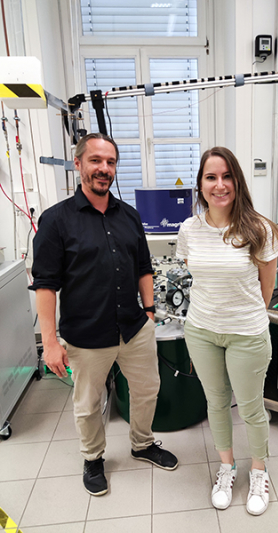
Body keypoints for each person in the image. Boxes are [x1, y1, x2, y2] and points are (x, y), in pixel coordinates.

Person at [30, 133, 178, 497]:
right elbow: (46, 285)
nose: (104, 169)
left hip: (133, 327)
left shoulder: (128, 215)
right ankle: (93, 458)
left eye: (110, 162)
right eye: (96, 160)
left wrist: (149, 311)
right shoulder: (55, 220)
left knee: (147, 390)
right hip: (86, 333)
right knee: (88, 404)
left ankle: (142, 444)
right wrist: (50, 342)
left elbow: (144, 267)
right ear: (78, 164)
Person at [176, 147, 278, 516]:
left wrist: (244, 315)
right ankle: (226, 468)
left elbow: (266, 290)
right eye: (211, 177)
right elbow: (199, 276)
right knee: (216, 403)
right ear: (200, 185)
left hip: (247, 334)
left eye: (227, 177)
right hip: (202, 330)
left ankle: (258, 471)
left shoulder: (259, 229)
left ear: (237, 181)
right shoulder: (189, 230)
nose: (219, 185)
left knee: (252, 408)